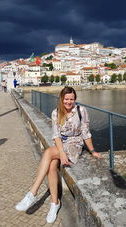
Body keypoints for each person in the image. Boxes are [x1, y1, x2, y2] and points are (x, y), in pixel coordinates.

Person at [15, 86, 102, 223]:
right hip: (61, 144)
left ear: (75, 99)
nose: (69, 102)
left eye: (71, 99)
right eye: (66, 99)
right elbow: (56, 135)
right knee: (51, 165)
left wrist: (92, 150)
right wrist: (61, 152)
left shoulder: (81, 111)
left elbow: (86, 133)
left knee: (49, 152)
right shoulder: (56, 113)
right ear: (61, 99)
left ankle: (33, 193)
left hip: (74, 145)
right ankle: (54, 203)